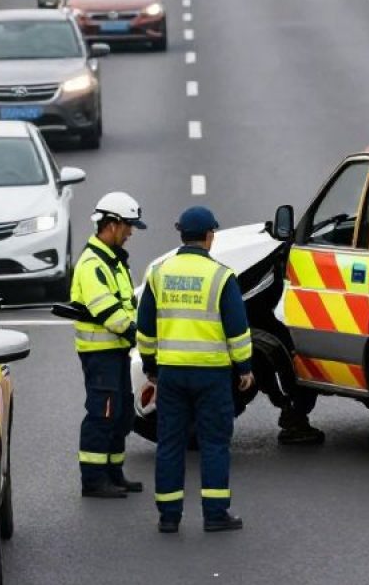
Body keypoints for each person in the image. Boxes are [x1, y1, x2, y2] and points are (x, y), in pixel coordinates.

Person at [137, 206, 254, 534]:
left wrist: (150, 366)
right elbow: (237, 329)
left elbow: (145, 329)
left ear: (181, 234)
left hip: (171, 374)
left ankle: (169, 517)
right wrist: (244, 367)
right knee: (214, 443)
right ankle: (215, 514)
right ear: (209, 236)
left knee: (170, 444)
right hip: (212, 375)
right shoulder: (221, 276)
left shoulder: (159, 273)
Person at [72, 191, 146, 499]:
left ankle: (114, 473)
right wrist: (135, 332)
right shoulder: (92, 264)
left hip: (116, 351)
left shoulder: (113, 261)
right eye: (128, 226)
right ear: (112, 224)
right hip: (99, 352)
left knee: (120, 413)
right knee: (102, 414)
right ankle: (93, 480)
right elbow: (107, 309)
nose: (130, 233)